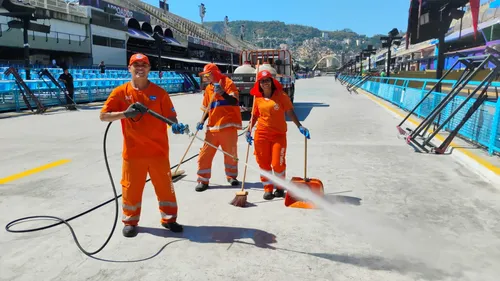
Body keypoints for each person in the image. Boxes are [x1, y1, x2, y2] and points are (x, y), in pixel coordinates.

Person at [99, 53, 188, 238]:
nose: (140, 67)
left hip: (158, 152)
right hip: (133, 153)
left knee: (165, 187)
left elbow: (171, 117)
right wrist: (125, 114)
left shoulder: (160, 93)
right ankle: (130, 221)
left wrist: (176, 126)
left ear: (149, 69)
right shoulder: (120, 92)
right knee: (131, 188)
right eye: (136, 64)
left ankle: (169, 219)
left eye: (144, 65)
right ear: (129, 68)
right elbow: (104, 116)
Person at [246, 69, 310, 200]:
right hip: (261, 135)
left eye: (267, 80)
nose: (265, 83)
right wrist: (248, 130)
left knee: (277, 164)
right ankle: (267, 189)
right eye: (262, 81)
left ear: (271, 81)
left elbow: (290, 111)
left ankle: (280, 187)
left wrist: (299, 125)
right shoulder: (257, 99)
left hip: (278, 135)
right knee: (263, 163)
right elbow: (254, 116)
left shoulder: (281, 96)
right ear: (259, 84)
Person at [195, 63, 242, 192]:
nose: (206, 77)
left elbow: (234, 101)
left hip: (228, 127)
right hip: (212, 128)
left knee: (231, 154)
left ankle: (231, 177)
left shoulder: (227, 83)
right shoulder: (208, 89)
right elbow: (206, 109)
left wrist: (223, 93)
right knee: (205, 155)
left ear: (214, 73)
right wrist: (201, 121)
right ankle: (203, 180)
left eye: (208, 75)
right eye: (205, 76)